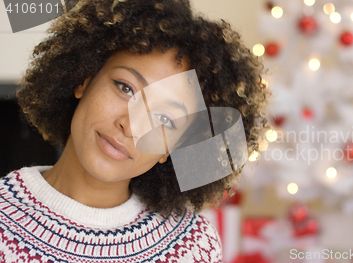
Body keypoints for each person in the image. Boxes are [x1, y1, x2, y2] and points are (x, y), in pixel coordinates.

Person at [0, 0, 268, 262]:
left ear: (173, 148)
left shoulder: (192, 247)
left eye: (164, 118)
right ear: (83, 79)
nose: (129, 126)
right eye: (125, 88)